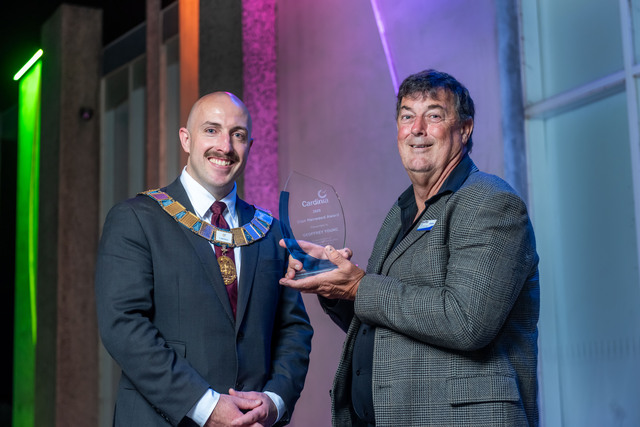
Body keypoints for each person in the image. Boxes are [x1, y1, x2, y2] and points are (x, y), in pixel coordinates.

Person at [279, 69, 540, 426]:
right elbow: (387, 321)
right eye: (406, 116)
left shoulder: (490, 202)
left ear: (465, 129)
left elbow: (466, 321)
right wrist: (334, 284)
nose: (417, 128)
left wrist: (359, 286)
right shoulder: (402, 211)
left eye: (434, 115)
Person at [96, 92, 313, 427]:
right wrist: (205, 406)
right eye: (211, 130)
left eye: (238, 135)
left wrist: (274, 400)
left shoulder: (270, 231)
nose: (225, 146)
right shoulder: (137, 218)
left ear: (250, 146)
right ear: (186, 139)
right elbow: (124, 325)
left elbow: (293, 330)